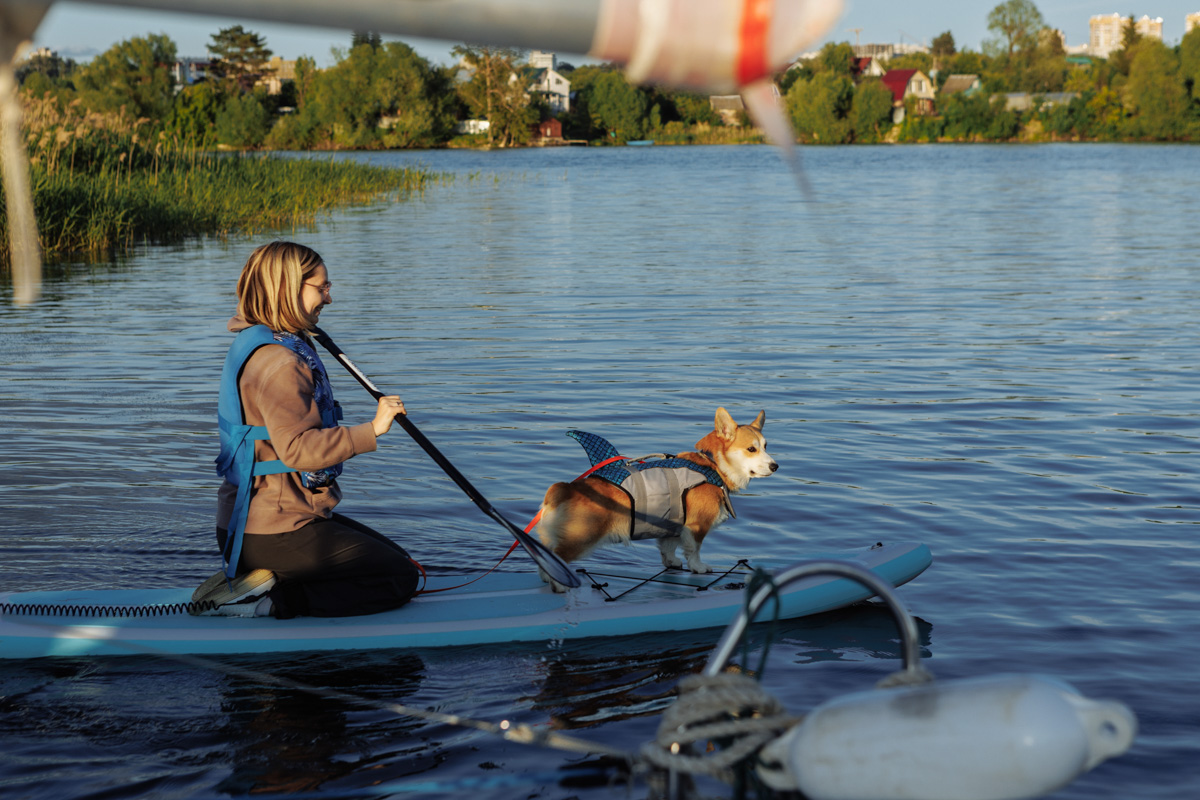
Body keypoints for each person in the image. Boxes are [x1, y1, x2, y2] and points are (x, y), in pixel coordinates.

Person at [194, 241, 420, 618]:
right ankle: (265, 603)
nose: (329, 298)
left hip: (258, 522)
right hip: (270, 530)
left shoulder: (262, 341)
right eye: (322, 287)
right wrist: (373, 429)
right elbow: (298, 449)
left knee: (398, 561)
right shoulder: (281, 361)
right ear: (288, 288)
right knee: (400, 577)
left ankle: (268, 581)